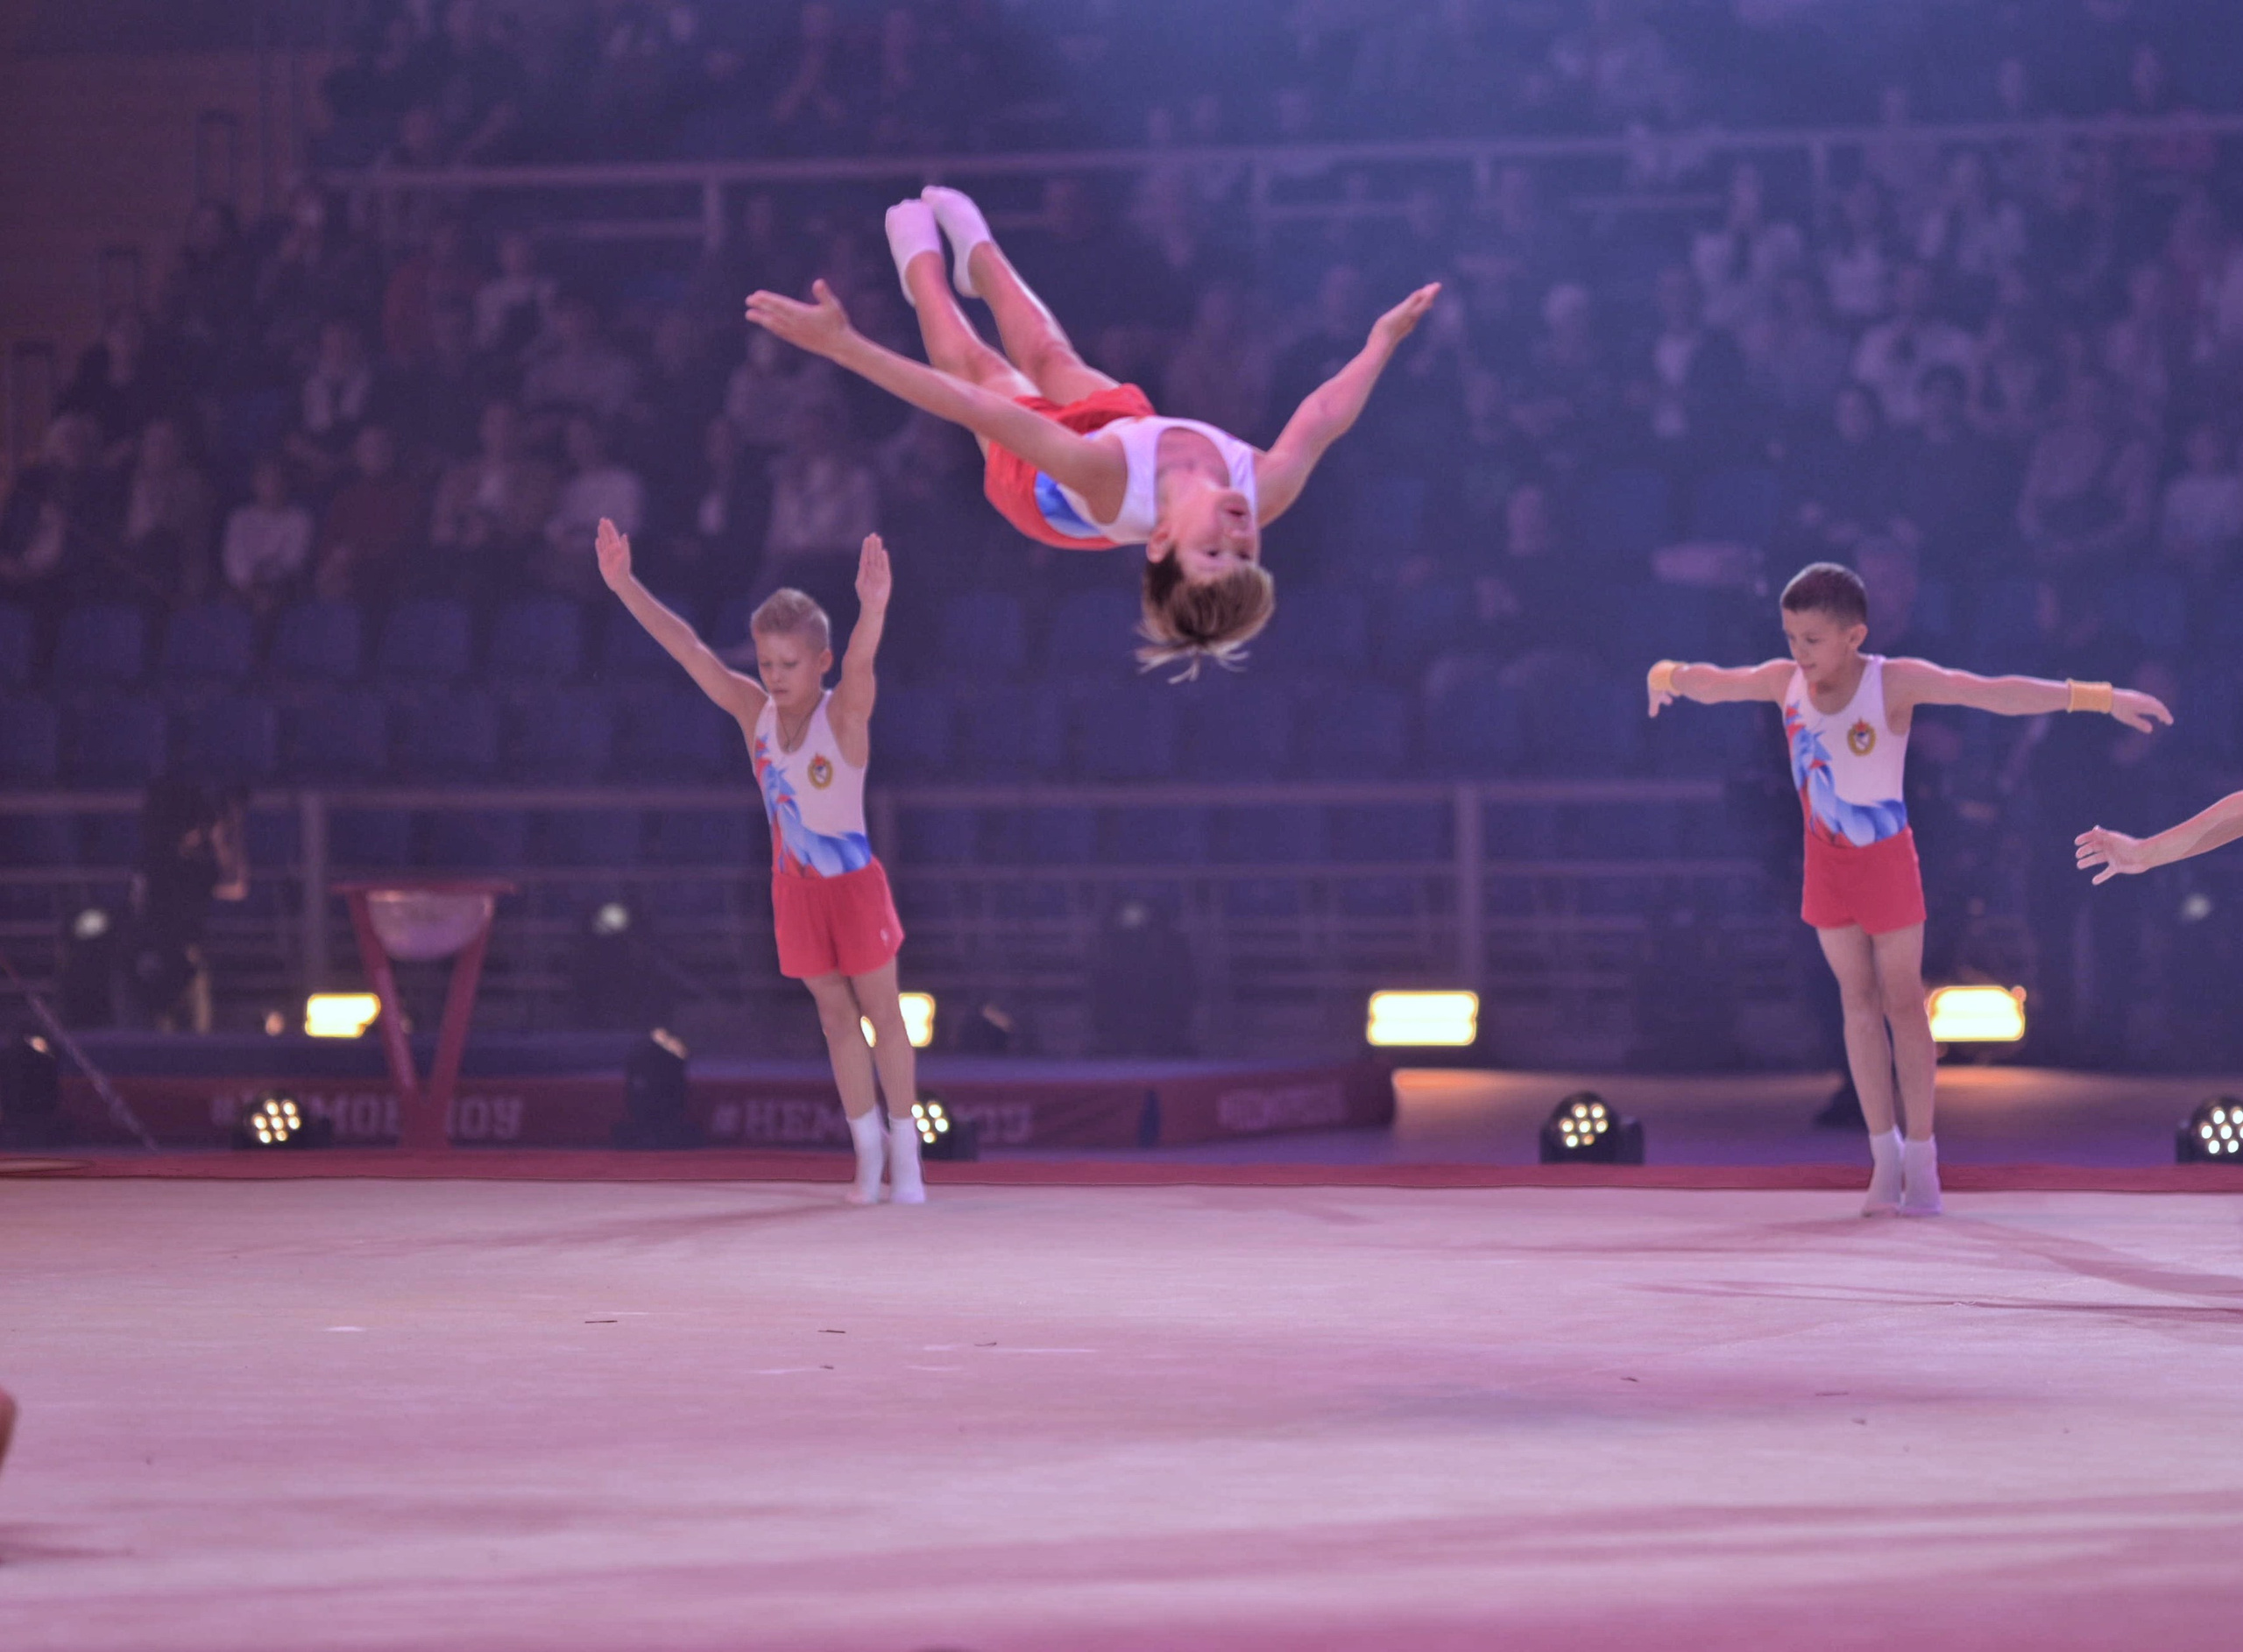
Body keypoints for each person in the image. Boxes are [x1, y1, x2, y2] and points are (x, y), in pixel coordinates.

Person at [1645, 561, 2171, 1218]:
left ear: (1853, 636)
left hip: (1887, 861)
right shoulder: (1784, 682)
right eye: (1790, 639)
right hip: (1825, 861)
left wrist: (2098, 697)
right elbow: (1717, 683)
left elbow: (1992, 693)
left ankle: (1922, 1153)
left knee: (1902, 1003)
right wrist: (1666, 674)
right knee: (1856, 1003)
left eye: (1811, 641)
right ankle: (1883, 1152)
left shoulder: (1890, 681)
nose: (1798, 654)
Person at [745, 187, 1437, 674]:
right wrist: (1380, 342)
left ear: (1161, 539)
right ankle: (978, 255)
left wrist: (847, 346)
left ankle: (921, 270)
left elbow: (972, 408)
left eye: (1213, 554)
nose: (1237, 536)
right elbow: (1321, 419)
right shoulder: (1266, 489)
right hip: (1127, 430)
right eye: (1246, 555)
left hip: (1043, 490)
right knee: (1053, 358)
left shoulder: (1105, 483)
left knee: (985, 369)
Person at [596, 519, 923, 1205]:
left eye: (789, 664)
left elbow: (863, 665)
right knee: (835, 1020)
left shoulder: (846, 717)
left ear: (821, 663)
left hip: (854, 886)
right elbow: (686, 649)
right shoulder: (755, 715)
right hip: (795, 892)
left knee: (883, 1016)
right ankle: (866, 1158)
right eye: (767, 663)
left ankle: (908, 1156)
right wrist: (625, 584)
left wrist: (875, 607)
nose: (773, 677)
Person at [120, 775, 250, 1033]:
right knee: (174, 1046)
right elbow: (235, 885)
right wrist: (227, 832)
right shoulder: (178, 866)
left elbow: (233, 886)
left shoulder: (153, 860)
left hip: (162, 962)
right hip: (167, 963)